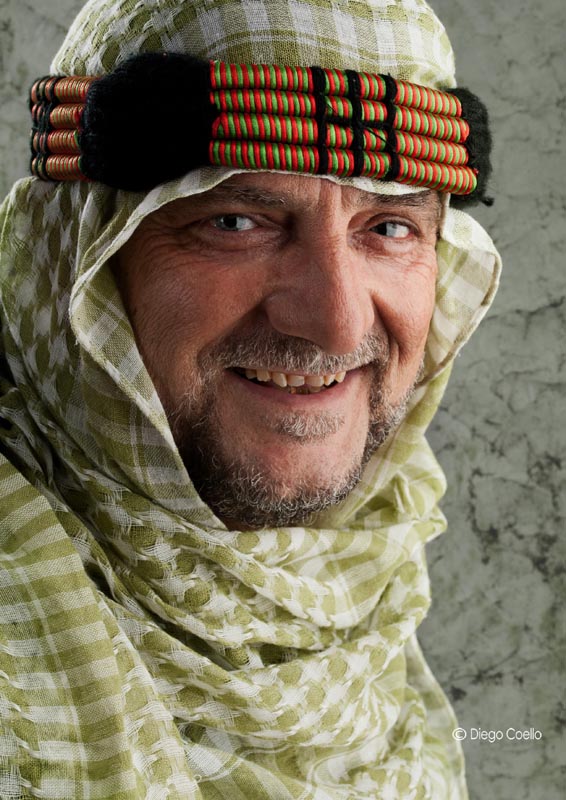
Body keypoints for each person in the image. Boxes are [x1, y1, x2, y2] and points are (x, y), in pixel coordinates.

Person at [0, 0, 501, 797]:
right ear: (79, 256)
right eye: (237, 222)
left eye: (389, 228)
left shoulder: (375, 555)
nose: (337, 322)